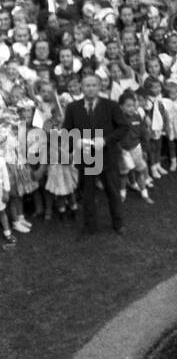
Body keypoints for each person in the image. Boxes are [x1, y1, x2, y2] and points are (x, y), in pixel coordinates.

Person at [63, 72, 131, 236]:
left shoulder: (111, 105)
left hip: (106, 154)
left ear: (99, 87)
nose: (91, 88)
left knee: (113, 191)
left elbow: (123, 127)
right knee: (88, 193)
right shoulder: (73, 107)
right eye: (87, 85)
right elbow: (67, 131)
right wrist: (75, 141)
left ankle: (118, 223)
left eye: (94, 85)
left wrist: (106, 140)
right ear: (82, 87)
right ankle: (90, 226)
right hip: (85, 155)